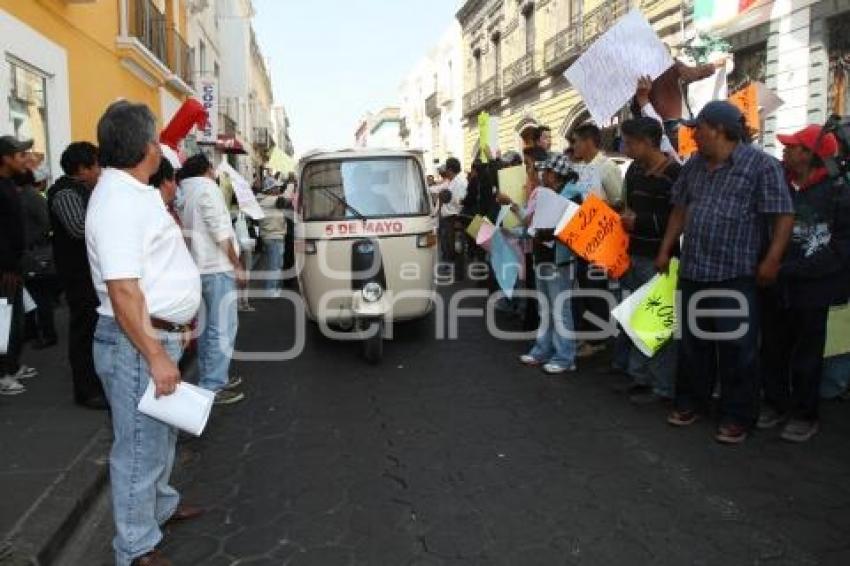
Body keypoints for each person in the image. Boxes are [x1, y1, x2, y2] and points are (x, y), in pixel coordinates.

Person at [86, 101, 205, 566]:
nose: (161, 146)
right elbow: (122, 289)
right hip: (137, 344)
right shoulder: (117, 200)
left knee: (160, 438)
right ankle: (135, 549)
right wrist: (156, 354)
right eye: (156, 139)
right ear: (144, 147)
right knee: (138, 448)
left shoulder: (132, 191)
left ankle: (160, 508)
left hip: (153, 338)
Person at [655, 100, 795, 445]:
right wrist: (665, 249)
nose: (693, 136)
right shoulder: (694, 167)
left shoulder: (761, 166)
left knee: (738, 349)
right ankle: (691, 403)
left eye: (697, 129)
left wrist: (772, 260)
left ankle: (736, 416)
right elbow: (679, 209)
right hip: (694, 270)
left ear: (719, 130)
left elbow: (783, 215)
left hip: (737, 275)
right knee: (692, 345)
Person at [758, 125, 850, 442]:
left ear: (811, 155)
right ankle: (775, 403)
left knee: (807, 355)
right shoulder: (781, 184)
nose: (785, 150)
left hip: (813, 290)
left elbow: (840, 249)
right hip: (776, 285)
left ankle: (804, 414)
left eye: (793, 146)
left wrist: (795, 269)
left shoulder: (839, 193)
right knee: (773, 348)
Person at [618, 117, 682, 404]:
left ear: (646, 142)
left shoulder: (674, 173)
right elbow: (630, 205)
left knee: (657, 322)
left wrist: (639, 222)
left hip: (659, 258)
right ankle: (640, 377)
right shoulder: (634, 170)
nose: (625, 147)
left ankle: (662, 386)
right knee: (636, 318)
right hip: (634, 254)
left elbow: (677, 219)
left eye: (630, 142)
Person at [177, 154, 246, 405]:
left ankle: (211, 378)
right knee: (223, 327)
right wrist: (237, 264)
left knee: (208, 327)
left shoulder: (184, 191)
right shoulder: (208, 189)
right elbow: (220, 229)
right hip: (216, 266)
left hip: (197, 267)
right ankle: (214, 384)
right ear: (207, 169)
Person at [47, 141, 107, 408]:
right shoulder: (65, 194)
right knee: (83, 331)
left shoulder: (84, 190)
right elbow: (79, 229)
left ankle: (96, 384)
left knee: (92, 328)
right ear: (82, 169)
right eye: (95, 166)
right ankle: (86, 390)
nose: (99, 171)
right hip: (77, 275)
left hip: (87, 273)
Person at [518, 154, 581, 374]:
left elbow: (571, 230)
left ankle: (565, 357)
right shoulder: (546, 195)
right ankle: (543, 350)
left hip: (560, 260)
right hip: (543, 257)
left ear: (555, 175)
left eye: (546, 172)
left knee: (560, 310)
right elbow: (530, 223)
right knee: (546, 308)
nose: (542, 175)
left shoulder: (573, 196)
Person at [569, 124, 624, 359]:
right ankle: (589, 335)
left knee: (595, 288)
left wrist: (597, 210)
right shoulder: (580, 169)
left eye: (577, 142)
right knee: (584, 287)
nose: (574, 147)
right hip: (582, 236)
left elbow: (620, 201)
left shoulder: (606, 167)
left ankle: (599, 339)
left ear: (589, 141)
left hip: (600, 237)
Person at [0, 136, 35, 395]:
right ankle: (3, 374)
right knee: (4, 321)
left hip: (13, 266)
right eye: (21, 155)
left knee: (15, 320)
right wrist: (8, 267)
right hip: (5, 269)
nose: (27, 159)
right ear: (6, 159)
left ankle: (11, 365)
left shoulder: (9, 184)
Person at [18, 167, 58, 350]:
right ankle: (34, 332)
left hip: (36, 254)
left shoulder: (31, 197)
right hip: (30, 253)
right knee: (34, 296)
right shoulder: (28, 195)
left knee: (40, 296)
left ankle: (47, 335)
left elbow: (46, 223)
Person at [436, 157, 467, 263]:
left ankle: (456, 270)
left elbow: (461, 202)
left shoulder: (460, 182)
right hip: (449, 218)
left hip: (454, 219)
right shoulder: (453, 181)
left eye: (446, 169)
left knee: (455, 246)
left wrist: (458, 220)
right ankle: (452, 266)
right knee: (450, 244)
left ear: (450, 169)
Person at [258, 184, 287, 295]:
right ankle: (270, 291)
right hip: (275, 235)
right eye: (276, 188)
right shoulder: (275, 200)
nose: (278, 189)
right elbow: (285, 201)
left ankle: (273, 288)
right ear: (271, 190)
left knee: (273, 264)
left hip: (267, 235)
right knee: (275, 265)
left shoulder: (261, 202)